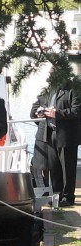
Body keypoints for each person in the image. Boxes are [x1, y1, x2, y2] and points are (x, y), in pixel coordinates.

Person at [31, 79, 81, 207]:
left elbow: (77, 111)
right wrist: (39, 112)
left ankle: (68, 197)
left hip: (66, 135)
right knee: (54, 167)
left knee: (67, 168)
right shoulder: (49, 90)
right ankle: (57, 195)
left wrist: (57, 113)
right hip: (50, 133)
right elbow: (36, 106)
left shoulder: (74, 89)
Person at [30, 94, 49, 188]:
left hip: (46, 134)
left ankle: (46, 188)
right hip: (42, 135)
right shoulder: (42, 97)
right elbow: (33, 114)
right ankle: (44, 187)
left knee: (43, 164)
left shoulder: (43, 96)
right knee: (39, 164)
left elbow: (32, 115)